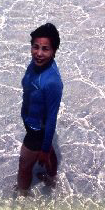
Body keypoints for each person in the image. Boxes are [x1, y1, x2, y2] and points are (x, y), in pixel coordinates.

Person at [17, 22, 63, 193]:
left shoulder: (52, 82)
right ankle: (52, 179)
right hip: (31, 122)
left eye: (45, 49)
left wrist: (43, 148)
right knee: (49, 151)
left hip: (37, 131)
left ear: (54, 51)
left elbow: (51, 119)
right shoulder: (36, 64)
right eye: (35, 47)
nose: (39, 53)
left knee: (24, 166)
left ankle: (20, 199)